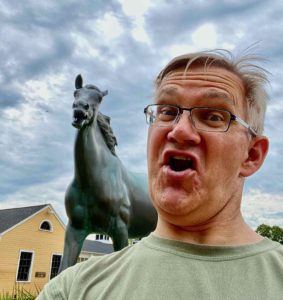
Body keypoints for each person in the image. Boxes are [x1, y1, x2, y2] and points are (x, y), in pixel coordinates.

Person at [37, 50, 283, 299]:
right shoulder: (70, 290)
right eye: (167, 111)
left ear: (251, 155)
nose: (179, 131)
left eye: (213, 116)